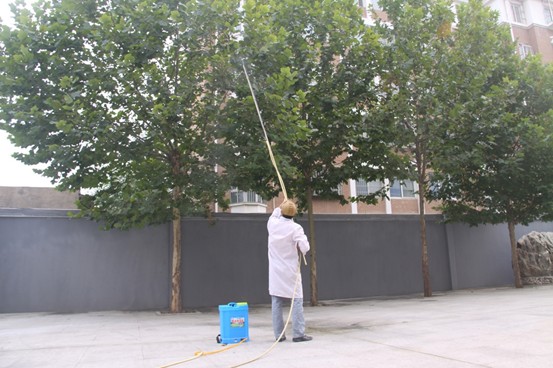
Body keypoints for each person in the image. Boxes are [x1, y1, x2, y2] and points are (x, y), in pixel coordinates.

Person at [267, 199, 312, 343]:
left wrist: (281, 205)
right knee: (297, 299)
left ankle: (278, 335)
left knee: (276, 300)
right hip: (290, 269)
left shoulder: (272, 224)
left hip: (275, 270)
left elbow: (275, 213)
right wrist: (300, 243)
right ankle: (298, 334)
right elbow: (305, 248)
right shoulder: (296, 228)